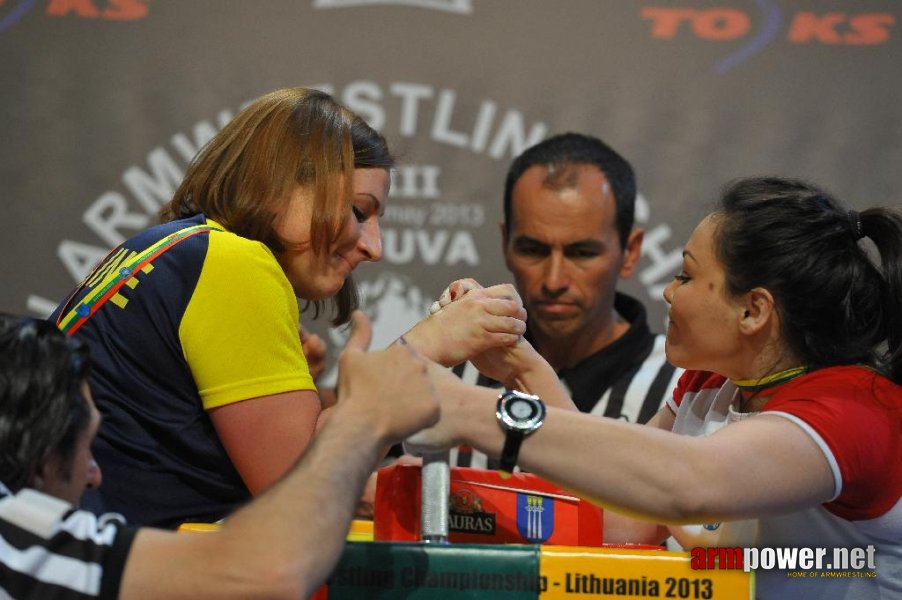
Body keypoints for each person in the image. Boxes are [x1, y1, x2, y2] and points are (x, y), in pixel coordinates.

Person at [50, 87, 526, 527]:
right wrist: (425, 347)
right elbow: (302, 497)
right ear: (281, 183)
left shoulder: (175, 251)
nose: (374, 247)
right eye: (359, 212)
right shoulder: (235, 264)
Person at [410, 176, 902, 599]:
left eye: (687, 275)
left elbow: (688, 484)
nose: (668, 291)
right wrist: (522, 367)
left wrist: (469, 409)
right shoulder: (710, 385)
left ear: (753, 311)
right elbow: (619, 518)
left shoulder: (857, 409)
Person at [0, 312, 440, 599]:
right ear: (32, 450)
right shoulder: (13, 536)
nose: (94, 475)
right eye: (85, 447)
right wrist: (362, 419)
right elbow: (265, 571)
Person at [448, 132, 680, 470]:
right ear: (505, 243)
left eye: (582, 253)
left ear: (629, 253)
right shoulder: (451, 370)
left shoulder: (682, 392)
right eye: (533, 250)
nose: (554, 281)